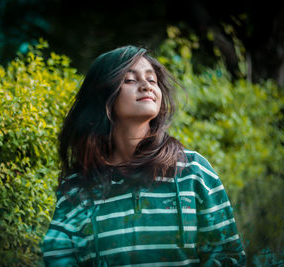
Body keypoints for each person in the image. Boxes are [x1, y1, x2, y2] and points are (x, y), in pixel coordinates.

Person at [41, 45, 246, 266]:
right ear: (103, 95)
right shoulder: (78, 188)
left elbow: (228, 255)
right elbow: (58, 257)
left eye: (152, 79)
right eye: (130, 80)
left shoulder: (192, 170)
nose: (146, 85)